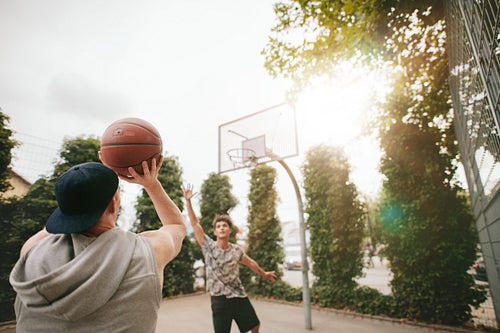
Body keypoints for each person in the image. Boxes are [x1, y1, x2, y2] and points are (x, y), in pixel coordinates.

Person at [10, 157, 186, 332]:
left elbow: (53, 226)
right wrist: (151, 184)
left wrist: (77, 197)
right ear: (112, 203)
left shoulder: (32, 252)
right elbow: (176, 226)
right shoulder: (148, 252)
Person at [183, 184, 276, 333]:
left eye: (224, 225)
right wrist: (188, 201)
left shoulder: (236, 250)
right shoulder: (208, 246)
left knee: (255, 326)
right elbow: (194, 223)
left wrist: (264, 274)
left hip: (238, 295)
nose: (221, 228)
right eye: (218, 226)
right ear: (214, 231)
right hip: (219, 299)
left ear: (230, 230)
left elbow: (250, 262)